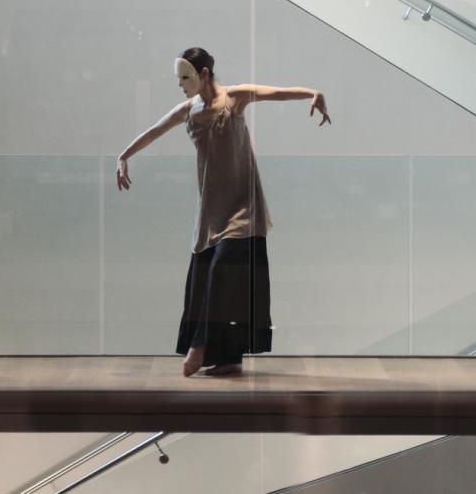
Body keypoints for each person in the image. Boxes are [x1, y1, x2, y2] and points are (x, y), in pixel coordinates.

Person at [116, 47, 331, 377]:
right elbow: (155, 130)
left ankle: (200, 345)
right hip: (211, 212)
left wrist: (313, 93)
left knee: (220, 274)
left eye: (186, 77)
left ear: (204, 74)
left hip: (242, 207)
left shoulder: (234, 98)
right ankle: (228, 358)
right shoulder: (189, 109)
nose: (181, 85)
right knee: (208, 279)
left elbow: (275, 93)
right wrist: (123, 156)